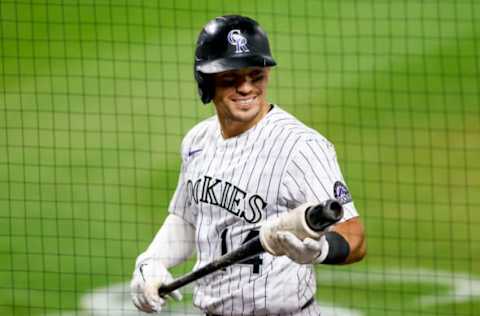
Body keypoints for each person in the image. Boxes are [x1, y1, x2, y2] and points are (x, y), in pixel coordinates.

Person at [130, 15, 366, 315]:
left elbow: (355, 238)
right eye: (231, 78)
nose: (246, 88)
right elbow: (187, 219)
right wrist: (151, 262)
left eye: (256, 75)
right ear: (206, 80)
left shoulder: (301, 147)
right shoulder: (197, 142)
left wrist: (322, 250)